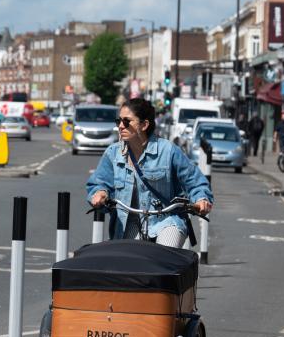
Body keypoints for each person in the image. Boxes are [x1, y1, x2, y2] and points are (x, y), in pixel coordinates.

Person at [86, 97, 213, 248]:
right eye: (118, 121)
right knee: (124, 261)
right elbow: (98, 183)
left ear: (144, 125)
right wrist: (100, 193)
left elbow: (195, 181)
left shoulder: (168, 151)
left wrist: (201, 199)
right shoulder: (113, 153)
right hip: (129, 223)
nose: (120, 126)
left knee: (164, 256)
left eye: (126, 122)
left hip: (167, 220)